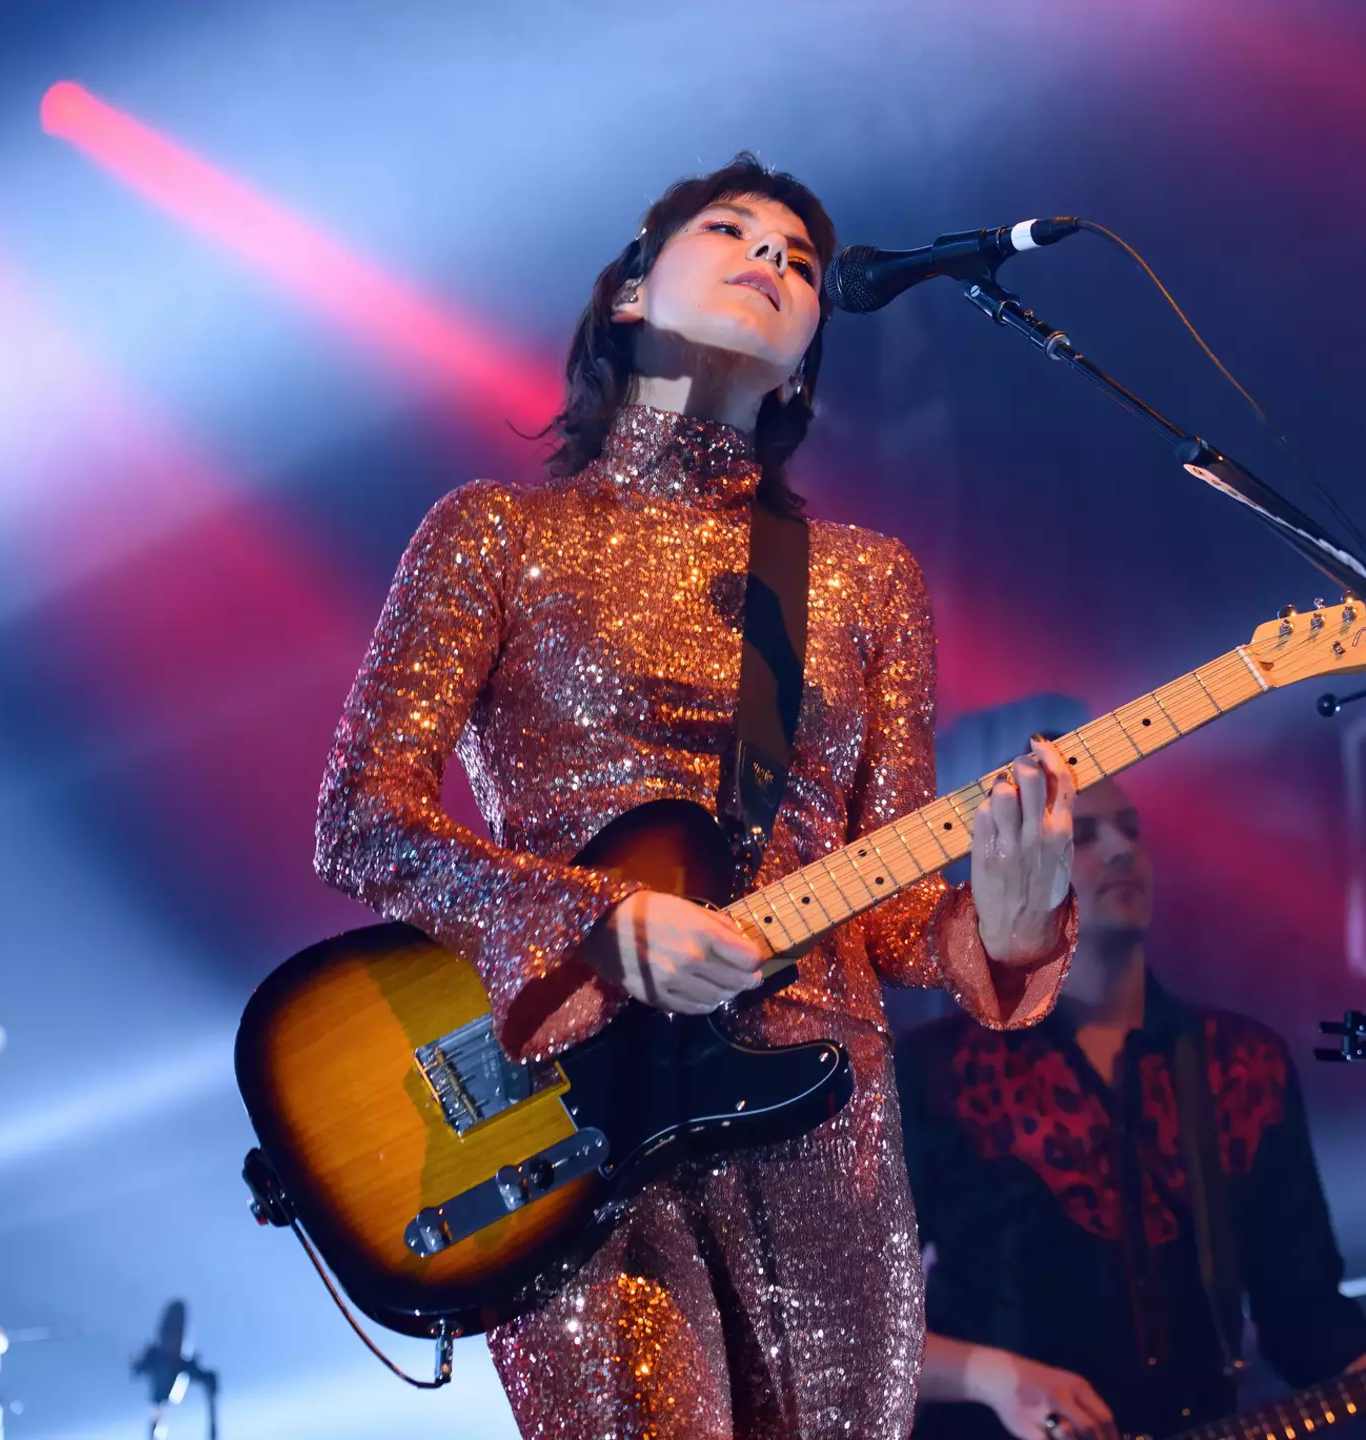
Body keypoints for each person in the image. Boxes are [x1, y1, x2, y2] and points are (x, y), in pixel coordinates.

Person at [313, 153, 1080, 1439]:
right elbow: (361, 817)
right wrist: (600, 924)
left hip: (826, 1129)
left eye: (797, 260)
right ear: (628, 291)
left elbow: (891, 917)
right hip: (575, 1117)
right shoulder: (494, 533)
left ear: (806, 364)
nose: (771, 260)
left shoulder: (862, 581)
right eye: (731, 232)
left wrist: (1005, 927)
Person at [898, 775, 1366, 1440]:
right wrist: (993, 1377)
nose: (1119, 851)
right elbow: (856, 1322)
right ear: (1009, 867)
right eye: (1081, 836)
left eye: (1131, 830)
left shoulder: (1241, 1062)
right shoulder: (937, 1067)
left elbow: (1301, 1310)